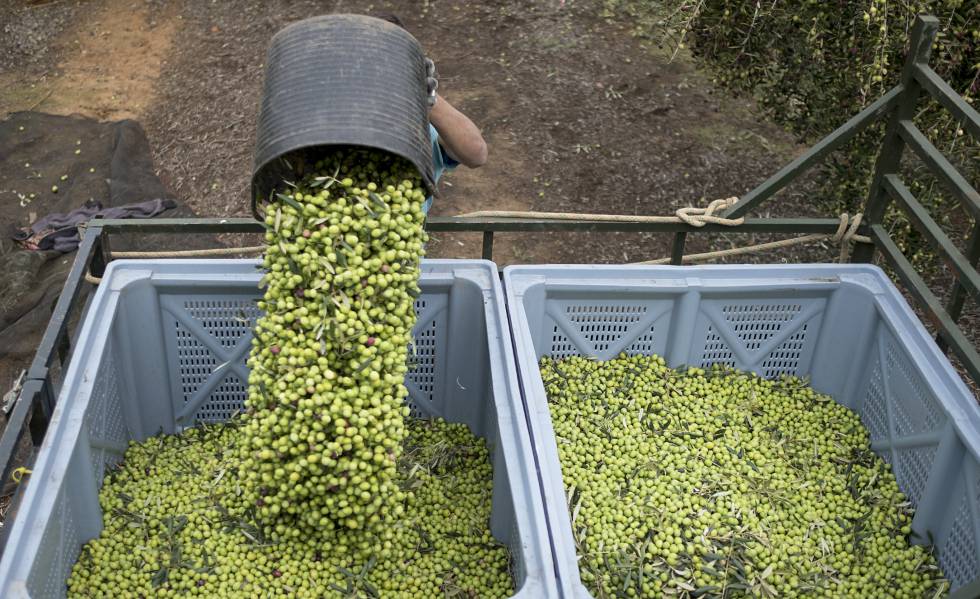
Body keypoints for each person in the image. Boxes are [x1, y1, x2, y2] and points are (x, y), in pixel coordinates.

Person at [377, 13, 487, 213]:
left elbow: (476, 154)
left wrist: (426, 98)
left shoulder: (422, 126)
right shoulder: (331, 120)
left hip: (403, 243)